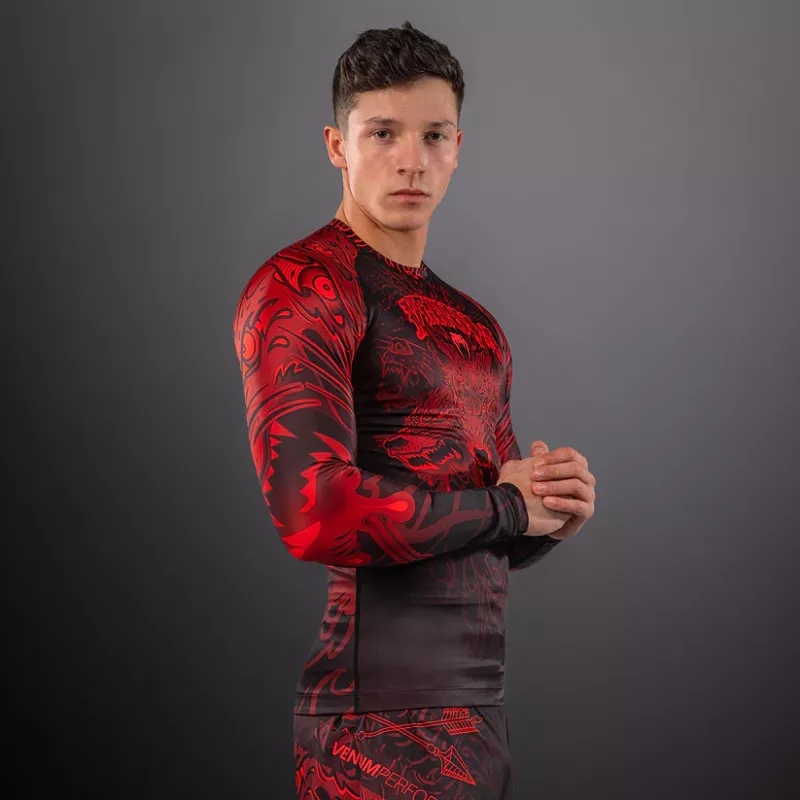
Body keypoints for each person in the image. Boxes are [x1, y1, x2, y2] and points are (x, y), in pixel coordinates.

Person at [232, 20, 596, 799]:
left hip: (478, 720)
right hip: (370, 730)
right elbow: (314, 516)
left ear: (457, 147)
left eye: (433, 135)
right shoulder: (303, 286)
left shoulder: (474, 325)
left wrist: (548, 511)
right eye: (383, 133)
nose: (411, 159)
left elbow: (487, 527)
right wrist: (508, 506)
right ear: (337, 145)